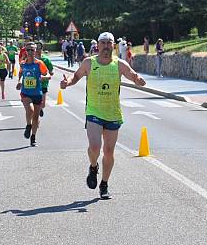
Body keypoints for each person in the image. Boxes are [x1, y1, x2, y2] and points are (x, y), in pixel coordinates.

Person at [60, 32, 146, 199]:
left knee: (108, 151)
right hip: (93, 111)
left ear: (113, 46)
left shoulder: (119, 64)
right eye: (103, 43)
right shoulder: (89, 63)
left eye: (109, 43)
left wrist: (139, 79)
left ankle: (104, 183)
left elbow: (133, 75)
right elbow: (76, 76)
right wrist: (67, 82)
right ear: (98, 45)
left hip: (113, 113)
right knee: (94, 147)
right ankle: (93, 167)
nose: (106, 46)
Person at [16, 41, 50, 146]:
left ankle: (33, 137)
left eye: (32, 49)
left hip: (37, 93)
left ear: (35, 51)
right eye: (28, 50)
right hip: (25, 92)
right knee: (29, 110)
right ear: (25, 51)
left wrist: (42, 77)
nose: (30, 51)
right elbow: (21, 73)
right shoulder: (23, 64)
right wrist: (19, 81)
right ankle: (28, 125)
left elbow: (48, 74)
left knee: (36, 117)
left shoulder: (39, 63)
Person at [35, 41, 54, 118]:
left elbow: (51, 70)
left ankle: (40, 109)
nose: (38, 50)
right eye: (36, 48)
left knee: (43, 104)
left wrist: (51, 72)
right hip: (34, 85)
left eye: (39, 48)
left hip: (43, 84)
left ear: (42, 49)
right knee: (34, 103)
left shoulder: (46, 60)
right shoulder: (31, 60)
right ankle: (35, 119)